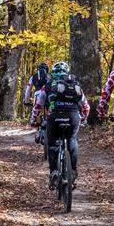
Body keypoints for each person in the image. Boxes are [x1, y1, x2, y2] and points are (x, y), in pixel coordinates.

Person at [31, 61, 90, 190]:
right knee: (72, 140)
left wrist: (33, 120)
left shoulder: (47, 86)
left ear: (53, 74)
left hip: (54, 116)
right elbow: (86, 106)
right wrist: (83, 118)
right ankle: (72, 171)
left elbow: (37, 106)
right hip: (73, 116)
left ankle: (54, 173)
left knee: (52, 144)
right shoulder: (75, 85)